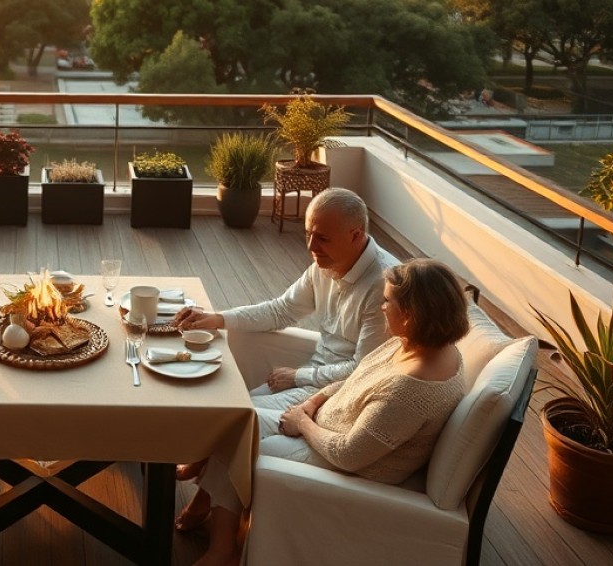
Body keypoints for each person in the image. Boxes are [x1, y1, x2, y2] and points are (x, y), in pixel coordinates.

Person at [187, 259, 468, 566]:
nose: (381, 306)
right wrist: (312, 402)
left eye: (387, 301)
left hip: (348, 465)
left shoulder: (412, 389)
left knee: (238, 444)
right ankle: (214, 515)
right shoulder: (416, 344)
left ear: (412, 314)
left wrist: (303, 423)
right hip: (325, 423)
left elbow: (350, 454)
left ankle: (222, 551)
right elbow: (358, 377)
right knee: (237, 422)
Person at [170, 187, 397, 530]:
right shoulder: (326, 261)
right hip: (317, 370)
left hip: (338, 393)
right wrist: (217, 318)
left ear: (356, 235)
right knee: (236, 409)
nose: (310, 247)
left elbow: (362, 371)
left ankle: (207, 502)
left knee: (238, 419)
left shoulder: (385, 286)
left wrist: (299, 376)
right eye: (307, 234)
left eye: (320, 238)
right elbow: (281, 310)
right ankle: (205, 475)